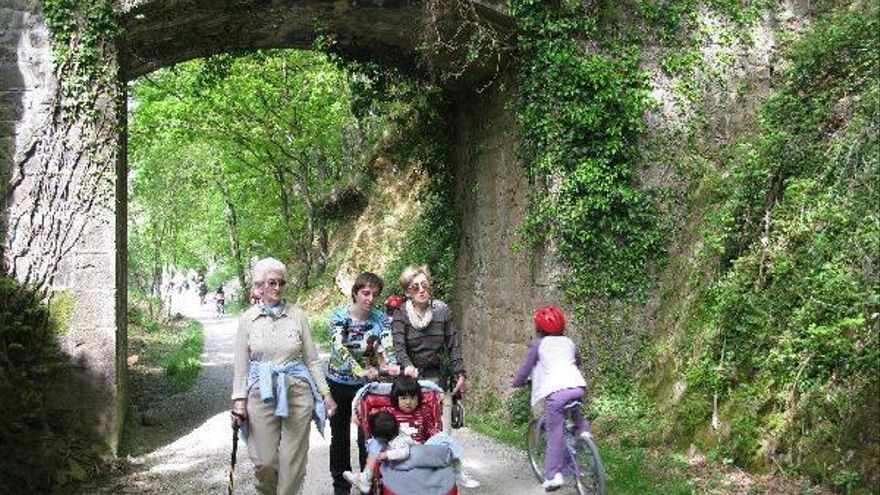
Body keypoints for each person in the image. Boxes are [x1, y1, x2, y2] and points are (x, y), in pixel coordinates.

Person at [230, 257, 338, 495]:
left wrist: (326, 395)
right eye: (271, 283)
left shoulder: (297, 315)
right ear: (261, 287)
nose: (277, 287)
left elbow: (311, 360)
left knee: (292, 464)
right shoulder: (248, 319)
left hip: (297, 391)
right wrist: (239, 401)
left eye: (281, 283)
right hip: (260, 393)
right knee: (264, 462)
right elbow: (241, 366)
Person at [327, 272, 400, 495]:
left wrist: (392, 365)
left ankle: (367, 483)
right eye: (365, 293)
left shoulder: (380, 318)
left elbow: (386, 347)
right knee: (339, 437)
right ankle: (341, 487)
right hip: (339, 381)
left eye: (375, 294)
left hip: (367, 385)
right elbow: (339, 349)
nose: (370, 299)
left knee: (367, 436)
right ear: (355, 293)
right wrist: (360, 370)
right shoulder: (339, 316)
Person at [343, 376, 478, 492]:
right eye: (403, 398)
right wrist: (356, 411)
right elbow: (377, 426)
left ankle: (459, 471)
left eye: (413, 398)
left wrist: (437, 436)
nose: (409, 402)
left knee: (444, 438)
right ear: (396, 398)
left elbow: (430, 430)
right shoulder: (388, 412)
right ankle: (366, 476)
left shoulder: (422, 411)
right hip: (395, 450)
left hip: (419, 449)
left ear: (418, 398)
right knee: (376, 441)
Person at [510, 305, 591, 492]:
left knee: (555, 432)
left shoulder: (539, 344)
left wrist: (516, 382)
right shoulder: (569, 342)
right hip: (578, 386)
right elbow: (577, 362)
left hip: (556, 392)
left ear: (538, 328)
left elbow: (526, 368)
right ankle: (583, 430)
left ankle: (554, 475)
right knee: (575, 409)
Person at [391, 265, 468, 432]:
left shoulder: (441, 310)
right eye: (415, 287)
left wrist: (460, 372)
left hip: (439, 377)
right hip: (411, 382)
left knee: (442, 431)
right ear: (407, 292)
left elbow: (453, 342)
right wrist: (408, 366)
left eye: (424, 285)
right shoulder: (400, 314)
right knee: (415, 430)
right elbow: (399, 346)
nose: (421, 290)